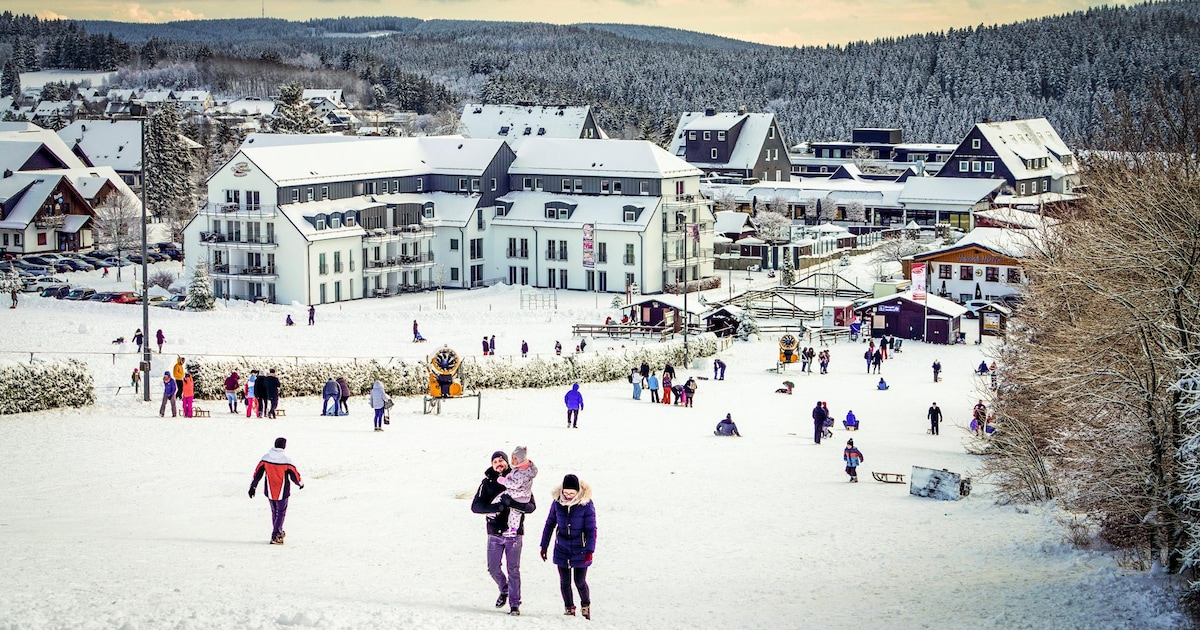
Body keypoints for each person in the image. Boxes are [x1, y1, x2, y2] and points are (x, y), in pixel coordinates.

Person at [470, 450, 535, 617]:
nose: (499, 464)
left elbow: (531, 506)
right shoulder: (487, 483)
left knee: (513, 569)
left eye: (501, 461)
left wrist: (512, 503)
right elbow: (475, 507)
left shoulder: (518, 477)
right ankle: (504, 589)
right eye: (495, 462)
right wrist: (496, 507)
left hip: (514, 534)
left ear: (507, 463)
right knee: (493, 568)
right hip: (494, 533)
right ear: (492, 465)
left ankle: (514, 605)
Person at [540, 474, 597, 620]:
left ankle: (585, 607)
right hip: (562, 547)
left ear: (577, 491)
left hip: (581, 548)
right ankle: (569, 608)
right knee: (565, 582)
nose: (568, 496)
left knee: (579, 582)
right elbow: (550, 524)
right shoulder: (557, 503)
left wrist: (590, 550)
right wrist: (544, 545)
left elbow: (591, 529)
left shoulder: (586, 504)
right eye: (566, 493)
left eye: (572, 493)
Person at [248, 437, 303, 545]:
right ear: (284, 446)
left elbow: (257, 473)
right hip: (282, 491)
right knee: (281, 513)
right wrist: (300, 483)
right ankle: (276, 535)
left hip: (269, 490)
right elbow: (294, 475)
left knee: (275, 512)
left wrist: (252, 487)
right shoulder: (286, 460)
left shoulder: (266, 457)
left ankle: (278, 531)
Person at [496, 446, 538, 537]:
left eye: (515, 458)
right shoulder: (527, 468)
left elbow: (515, 485)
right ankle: (513, 528)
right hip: (524, 495)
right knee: (515, 512)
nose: (513, 460)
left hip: (518, 495)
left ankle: (511, 528)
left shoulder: (521, 473)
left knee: (502, 498)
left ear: (521, 460)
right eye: (512, 457)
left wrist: (504, 481)